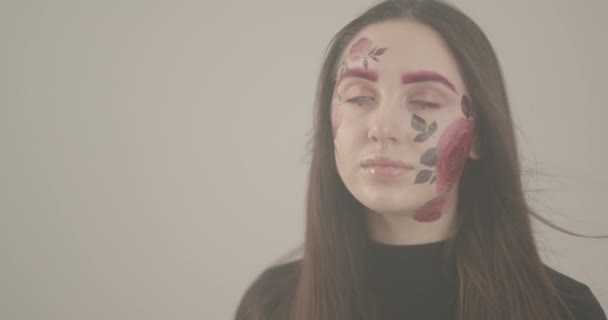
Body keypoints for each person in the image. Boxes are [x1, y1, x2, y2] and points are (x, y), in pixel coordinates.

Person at [234, 0, 607, 319]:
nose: (382, 127)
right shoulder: (270, 308)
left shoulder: (565, 311)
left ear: (477, 134)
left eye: (425, 101)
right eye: (360, 97)